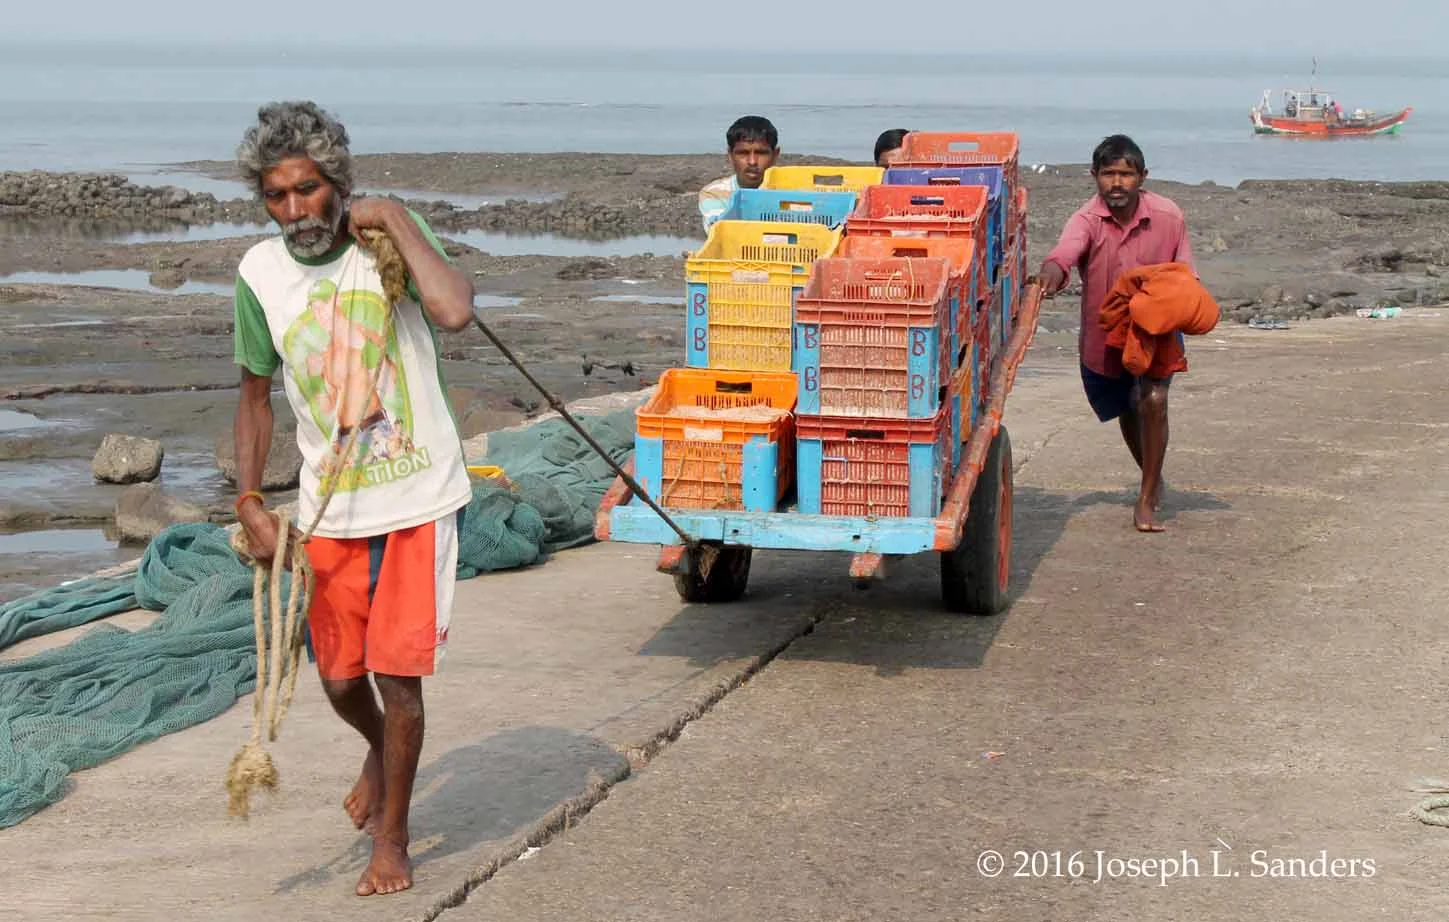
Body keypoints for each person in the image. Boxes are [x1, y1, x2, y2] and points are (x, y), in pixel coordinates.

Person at [230, 100, 476, 897]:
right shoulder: (258, 275)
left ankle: (393, 839)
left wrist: (396, 217)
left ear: (337, 183)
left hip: (416, 496)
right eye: (277, 195)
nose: (294, 209)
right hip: (329, 509)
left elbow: (454, 310)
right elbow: (254, 397)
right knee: (340, 680)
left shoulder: (386, 244)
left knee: (397, 681)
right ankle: (379, 750)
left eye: (307, 189)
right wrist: (249, 499)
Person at [1037, 134, 1194, 533]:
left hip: (1158, 328)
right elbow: (1065, 252)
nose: (1117, 183)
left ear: (1143, 176)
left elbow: (1186, 275)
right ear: (1094, 175)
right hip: (1106, 332)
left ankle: (1146, 498)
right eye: (1108, 174)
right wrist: (1050, 274)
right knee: (1126, 406)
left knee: (1154, 400)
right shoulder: (1085, 219)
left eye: (1126, 174)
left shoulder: (1169, 216)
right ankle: (1151, 476)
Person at [698, 115, 779, 232]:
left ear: (775, 155)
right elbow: (720, 232)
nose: (752, 162)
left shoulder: (791, 191)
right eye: (743, 153)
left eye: (761, 153)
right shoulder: (715, 193)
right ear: (730, 155)